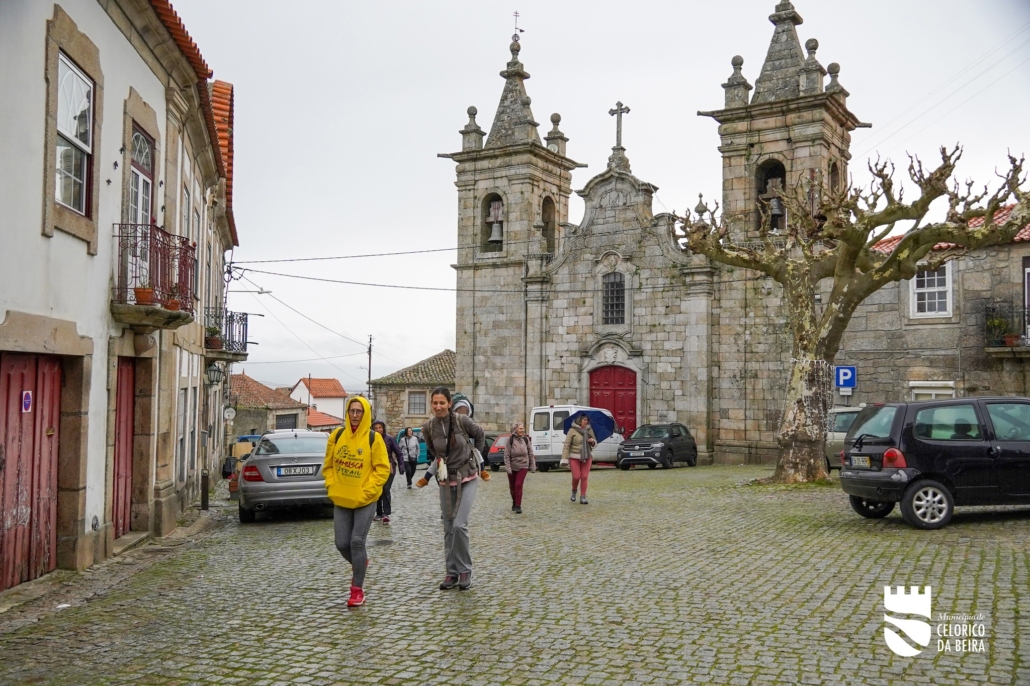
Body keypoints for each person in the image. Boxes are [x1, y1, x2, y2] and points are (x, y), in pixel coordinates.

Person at [322, 396, 390, 607]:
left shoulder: (374, 439)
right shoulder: (337, 435)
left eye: (359, 411)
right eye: (351, 410)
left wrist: (367, 491)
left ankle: (356, 590)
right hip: (341, 497)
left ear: (366, 414)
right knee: (342, 543)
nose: (354, 415)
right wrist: (332, 486)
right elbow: (329, 466)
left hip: (365, 499)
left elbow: (382, 469)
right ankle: (361, 563)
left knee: (356, 542)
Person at [419, 386, 485, 590]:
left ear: (449, 404)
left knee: (459, 525)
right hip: (446, 481)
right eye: (435, 403)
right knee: (448, 527)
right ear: (431, 404)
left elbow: (480, 435)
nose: (438, 406)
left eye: (442, 403)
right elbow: (433, 450)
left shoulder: (461, 421)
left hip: (468, 477)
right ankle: (452, 572)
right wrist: (441, 465)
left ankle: (465, 569)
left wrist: (474, 458)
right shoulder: (428, 428)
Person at [451, 392, 490, 481]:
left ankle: (482, 470)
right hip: (452, 465)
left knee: (478, 455)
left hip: (468, 461)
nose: (462, 414)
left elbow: (480, 435)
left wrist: (474, 455)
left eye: (465, 411)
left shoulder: (469, 423)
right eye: (459, 410)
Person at [371, 419, 403, 523]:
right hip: (375, 467)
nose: (378, 430)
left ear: (383, 428)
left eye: (380, 428)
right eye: (376, 428)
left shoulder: (390, 439)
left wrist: (401, 466)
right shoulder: (371, 439)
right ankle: (379, 513)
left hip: (389, 467)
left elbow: (399, 452)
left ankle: (386, 513)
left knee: (385, 488)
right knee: (377, 490)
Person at [562, 414, 596, 505]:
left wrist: (592, 441)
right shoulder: (572, 430)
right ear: (579, 421)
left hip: (587, 456)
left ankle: (583, 496)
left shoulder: (589, 430)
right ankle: (574, 491)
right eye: (585, 420)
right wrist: (564, 458)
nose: (586, 422)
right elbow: (567, 445)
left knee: (584, 477)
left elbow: (595, 442)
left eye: (587, 420)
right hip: (575, 457)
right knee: (576, 477)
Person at [504, 422, 535, 514]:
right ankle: (514, 501)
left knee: (518, 484)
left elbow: (530, 453)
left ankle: (518, 505)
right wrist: (508, 468)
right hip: (512, 466)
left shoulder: (526, 440)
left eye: (523, 428)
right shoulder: (510, 440)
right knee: (512, 486)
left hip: (523, 465)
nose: (522, 430)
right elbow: (506, 455)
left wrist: (532, 465)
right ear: (515, 430)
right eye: (520, 429)